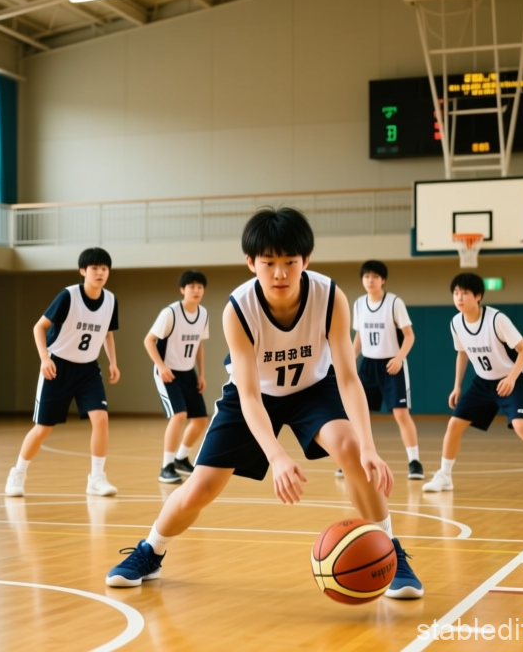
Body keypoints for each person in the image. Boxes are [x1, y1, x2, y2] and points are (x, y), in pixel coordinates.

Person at [105, 207, 423, 599]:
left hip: (314, 389)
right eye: (269, 262)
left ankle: (391, 553)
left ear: (305, 260)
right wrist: (276, 456)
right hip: (252, 396)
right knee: (202, 486)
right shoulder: (238, 310)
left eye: (290, 262)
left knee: (353, 450)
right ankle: (150, 550)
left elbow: (346, 376)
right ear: (250, 262)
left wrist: (371, 447)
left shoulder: (330, 297)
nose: (280, 273)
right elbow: (251, 394)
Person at [422, 273, 523, 500]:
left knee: (522, 427)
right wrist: (457, 386)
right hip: (482, 382)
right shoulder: (456, 323)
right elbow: (462, 354)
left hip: (512, 379)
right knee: (454, 425)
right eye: (456, 293)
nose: (459, 297)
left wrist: (510, 378)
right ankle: (444, 475)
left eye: (465, 293)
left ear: (477, 296)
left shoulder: (497, 319)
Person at [5, 248, 121, 498]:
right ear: (83, 271)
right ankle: (18, 472)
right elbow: (39, 327)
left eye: (104, 268)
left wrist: (113, 361)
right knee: (43, 428)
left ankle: (96, 478)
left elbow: (107, 333)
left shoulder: (111, 300)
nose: (100, 273)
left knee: (101, 419)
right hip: (58, 366)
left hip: (89, 368)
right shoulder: (69, 296)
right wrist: (44, 358)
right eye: (94, 268)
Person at [344, 260, 423, 480]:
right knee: (356, 414)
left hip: (391, 364)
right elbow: (358, 338)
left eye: (375, 277)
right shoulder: (359, 304)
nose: (370, 280)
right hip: (368, 365)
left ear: (383, 280)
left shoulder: (394, 303)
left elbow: (409, 336)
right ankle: (351, 459)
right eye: (366, 276)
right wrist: (350, 359)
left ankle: (414, 462)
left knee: (401, 414)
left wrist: (399, 358)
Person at [145, 270, 209, 484]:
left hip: (188, 372)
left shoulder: (203, 314)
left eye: (200, 287)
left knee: (200, 421)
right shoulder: (170, 313)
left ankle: (181, 458)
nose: (196, 290)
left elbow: (199, 344)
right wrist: (161, 366)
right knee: (179, 415)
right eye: (191, 286)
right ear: (183, 290)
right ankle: (166, 466)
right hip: (167, 371)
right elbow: (148, 341)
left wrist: (201, 374)